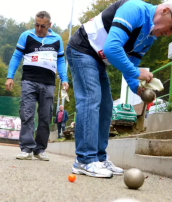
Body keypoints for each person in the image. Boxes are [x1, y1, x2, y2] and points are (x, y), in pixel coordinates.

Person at [66, 0, 172, 178]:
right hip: (83, 48)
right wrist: (137, 72)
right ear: (165, 11)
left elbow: (130, 66)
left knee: (106, 107)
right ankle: (84, 159)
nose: (169, 34)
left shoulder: (149, 37)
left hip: (98, 60)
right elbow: (112, 48)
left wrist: (137, 88)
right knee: (91, 100)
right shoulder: (135, 9)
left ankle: (99, 158)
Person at [5, 11, 69, 161]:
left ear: (49, 25)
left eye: (43, 26)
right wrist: (10, 76)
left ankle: (40, 149)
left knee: (45, 116)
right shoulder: (26, 36)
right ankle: (26, 148)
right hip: (29, 81)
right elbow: (16, 56)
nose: (39, 29)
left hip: (48, 83)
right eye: (36, 25)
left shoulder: (57, 39)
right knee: (27, 113)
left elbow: (60, 61)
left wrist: (64, 79)